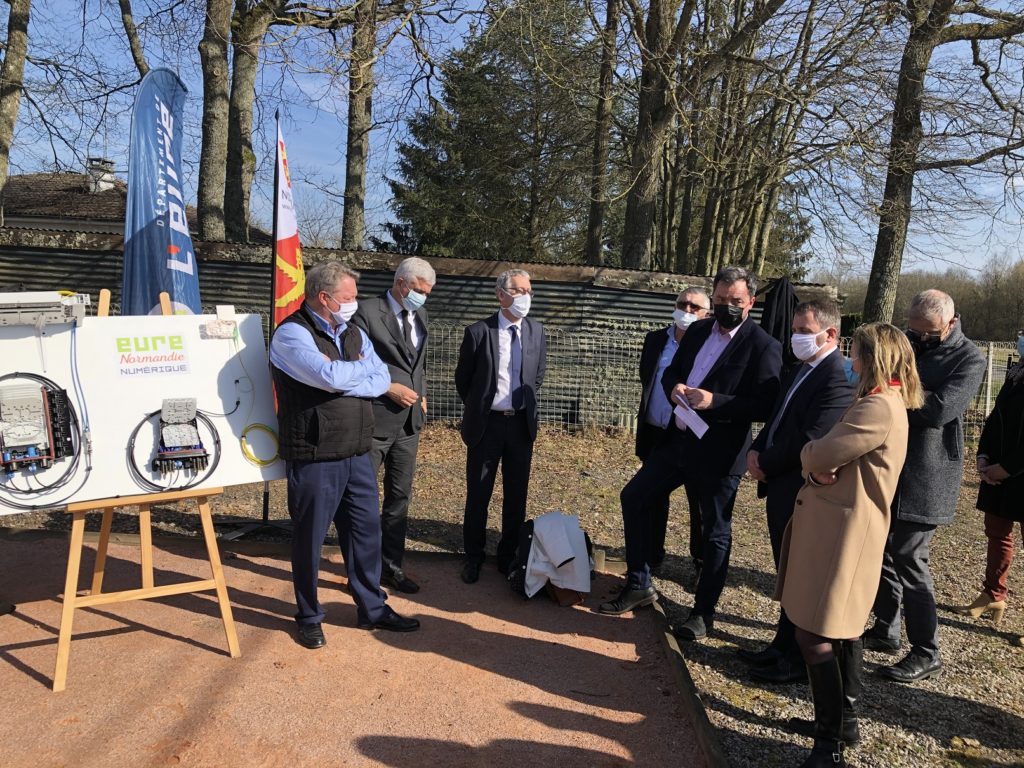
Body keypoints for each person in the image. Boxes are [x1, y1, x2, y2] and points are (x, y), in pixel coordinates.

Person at [600, 265, 781, 643]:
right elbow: (671, 373)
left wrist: (717, 401)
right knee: (634, 497)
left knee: (714, 532)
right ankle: (639, 582)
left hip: (719, 453)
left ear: (750, 302)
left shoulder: (763, 345)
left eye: (734, 301)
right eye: (719, 300)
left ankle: (702, 613)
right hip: (677, 441)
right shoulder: (698, 331)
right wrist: (674, 388)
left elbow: (766, 404)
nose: (725, 306)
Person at [777, 322, 923, 768]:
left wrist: (810, 459)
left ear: (870, 358)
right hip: (841, 528)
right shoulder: (880, 402)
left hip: (845, 534)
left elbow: (819, 454)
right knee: (841, 629)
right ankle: (843, 725)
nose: (849, 359)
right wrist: (820, 463)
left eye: (855, 352)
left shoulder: (877, 407)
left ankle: (829, 745)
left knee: (815, 633)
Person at [270, 261, 420, 648]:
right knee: (310, 538)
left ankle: (372, 607)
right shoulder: (291, 335)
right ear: (324, 298)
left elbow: (381, 378)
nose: (355, 303)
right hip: (316, 453)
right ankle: (308, 614)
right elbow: (331, 378)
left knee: (365, 534)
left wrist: (346, 376)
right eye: (349, 297)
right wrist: (353, 376)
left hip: (357, 449)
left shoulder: (353, 332)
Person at [864, 290, 985, 683]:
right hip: (889, 463)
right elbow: (877, 382)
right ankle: (887, 626)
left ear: (950, 323)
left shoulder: (970, 359)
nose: (919, 340)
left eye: (928, 333)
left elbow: (939, 411)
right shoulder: (907, 338)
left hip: (928, 473)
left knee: (910, 558)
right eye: (914, 331)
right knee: (880, 546)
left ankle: (926, 650)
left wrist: (895, 394)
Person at [741, 299, 854, 684]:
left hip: (799, 488)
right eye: (794, 331)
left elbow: (811, 437)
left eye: (804, 332)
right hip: (778, 483)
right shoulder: (800, 369)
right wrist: (755, 448)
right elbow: (778, 416)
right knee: (784, 571)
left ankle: (794, 659)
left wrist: (766, 462)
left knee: (799, 577)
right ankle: (780, 645)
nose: (796, 339)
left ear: (830, 334)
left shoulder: (836, 377)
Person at [455, 268, 547, 584]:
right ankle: (473, 556)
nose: (526, 297)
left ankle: (508, 556)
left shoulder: (536, 331)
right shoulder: (479, 332)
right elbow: (463, 380)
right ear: (501, 294)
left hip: (521, 426)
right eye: (519, 290)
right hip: (487, 426)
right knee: (479, 493)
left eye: (529, 291)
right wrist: (482, 406)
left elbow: (537, 376)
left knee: (516, 494)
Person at [352, 257, 436, 594]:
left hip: (409, 424)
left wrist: (423, 394)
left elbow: (421, 363)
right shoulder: (366, 313)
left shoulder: (421, 315)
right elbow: (353, 362)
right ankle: (360, 572)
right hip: (375, 418)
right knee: (362, 499)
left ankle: (391, 567)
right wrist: (389, 387)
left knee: (399, 498)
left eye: (428, 292)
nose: (423, 297)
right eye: (419, 291)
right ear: (402, 283)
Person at [955, 329, 1024, 643]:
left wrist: (1008, 467)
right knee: (997, 533)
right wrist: (983, 456)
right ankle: (993, 593)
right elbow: (996, 417)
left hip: (1017, 471)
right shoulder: (1016, 371)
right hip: (997, 472)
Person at [635, 287, 710, 574]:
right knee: (652, 495)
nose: (687, 311)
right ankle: (652, 554)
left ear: (706, 314)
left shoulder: (708, 347)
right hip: (656, 432)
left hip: (691, 436)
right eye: (682, 304)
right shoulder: (655, 340)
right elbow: (648, 379)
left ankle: (700, 563)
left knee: (698, 502)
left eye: (694, 308)